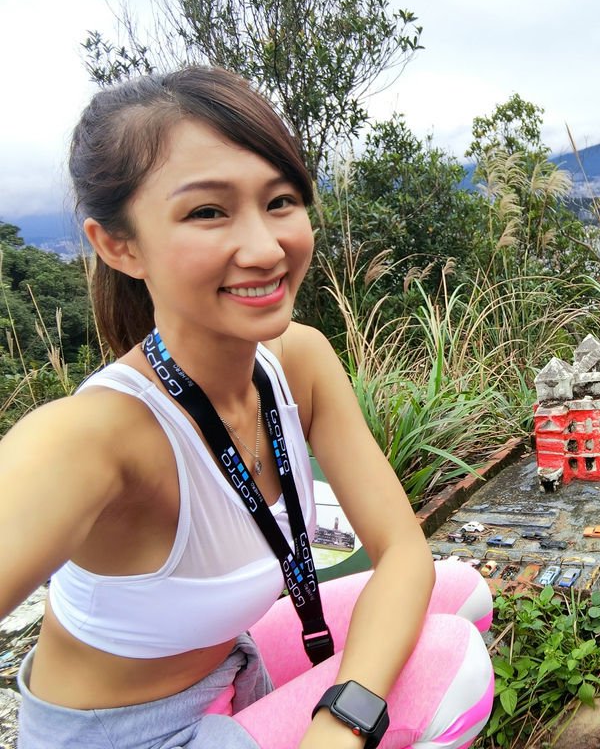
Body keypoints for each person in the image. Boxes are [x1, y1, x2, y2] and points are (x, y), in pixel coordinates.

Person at [0, 66, 494, 749]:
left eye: (282, 200)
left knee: (461, 591)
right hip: (128, 738)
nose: (266, 249)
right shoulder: (91, 438)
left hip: (227, 670)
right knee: (451, 664)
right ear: (119, 245)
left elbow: (403, 551)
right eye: (208, 211)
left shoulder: (299, 360)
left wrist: (343, 716)